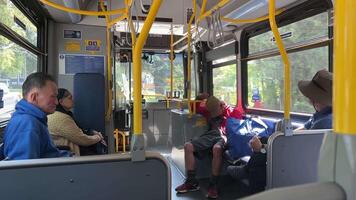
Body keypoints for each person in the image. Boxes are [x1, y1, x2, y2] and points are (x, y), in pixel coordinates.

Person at [227, 69, 333, 193]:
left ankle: (249, 176)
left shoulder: (325, 122)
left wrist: (262, 149)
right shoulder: (323, 115)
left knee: (258, 167)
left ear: (316, 99)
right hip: (306, 157)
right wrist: (277, 138)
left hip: (303, 165)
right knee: (264, 139)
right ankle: (247, 167)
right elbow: (302, 131)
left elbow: (299, 151)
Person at [175, 95, 243, 199]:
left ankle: (213, 184)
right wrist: (205, 97)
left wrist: (225, 108)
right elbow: (195, 105)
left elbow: (238, 120)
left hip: (224, 136)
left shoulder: (232, 112)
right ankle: (191, 182)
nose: (213, 114)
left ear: (222, 106)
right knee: (188, 146)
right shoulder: (208, 110)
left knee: (217, 149)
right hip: (211, 134)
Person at [2, 72, 72, 160]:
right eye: (52, 97)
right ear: (34, 97)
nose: (56, 102)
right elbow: (24, 170)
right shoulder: (27, 124)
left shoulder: (34, 120)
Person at [48, 88, 104, 156]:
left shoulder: (59, 114)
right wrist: (98, 137)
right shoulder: (62, 118)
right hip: (70, 154)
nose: (73, 100)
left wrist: (92, 132)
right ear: (61, 101)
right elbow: (82, 140)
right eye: (70, 98)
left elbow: (78, 131)